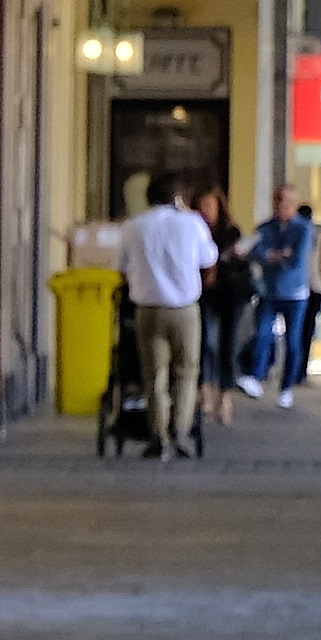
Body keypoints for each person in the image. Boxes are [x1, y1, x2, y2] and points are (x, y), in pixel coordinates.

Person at [116, 175, 217, 461]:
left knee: (154, 375)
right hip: (184, 309)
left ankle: (158, 435)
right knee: (186, 372)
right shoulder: (192, 223)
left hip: (148, 310)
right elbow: (208, 260)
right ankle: (180, 432)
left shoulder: (133, 226)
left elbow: (121, 267)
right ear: (178, 197)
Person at [186, 181, 261, 446]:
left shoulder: (231, 232)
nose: (206, 211)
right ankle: (204, 391)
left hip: (231, 295)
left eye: (210, 205)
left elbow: (242, 262)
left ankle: (224, 397)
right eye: (201, 206)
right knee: (204, 341)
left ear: (220, 208)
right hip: (204, 295)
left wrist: (231, 259)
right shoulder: (193, 231)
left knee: (228, 344)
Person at [244, 192, 318, 399]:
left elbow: (296, 261)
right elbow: (256, 252)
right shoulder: (266, 227)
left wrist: (273, 256)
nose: (279, 205)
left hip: (295, 294)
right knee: (262, 334)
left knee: (293, 341)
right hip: (269, 291)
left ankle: (286, 388)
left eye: (284, 201)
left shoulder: (303, 228)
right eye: (276, 201)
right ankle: (256, 376)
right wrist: (277, 254)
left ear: (293, 204)